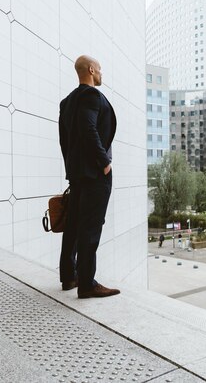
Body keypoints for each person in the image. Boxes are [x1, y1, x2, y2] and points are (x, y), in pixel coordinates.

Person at [58, 55, 119, 299]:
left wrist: (72, 167)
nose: (102, 74)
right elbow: (88, 128)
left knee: (72, 226)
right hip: (94, 174)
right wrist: (104, 163)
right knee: (90, 228)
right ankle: (86, 283)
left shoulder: (67, 102)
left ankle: (68, 276)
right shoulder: (92, 96)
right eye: (100, 70)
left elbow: (65, 140)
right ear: (91, 70)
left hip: (77, 174)